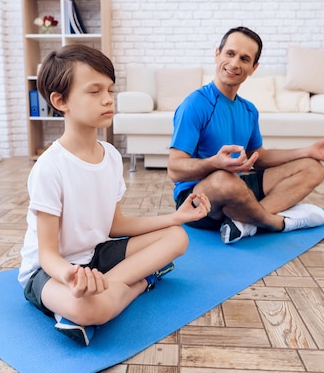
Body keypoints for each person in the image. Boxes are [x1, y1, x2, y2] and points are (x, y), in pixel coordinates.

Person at [18, 44, 210, 346]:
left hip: (96, 256)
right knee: (87, 308)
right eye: (94, 92)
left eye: (110, 89)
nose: (108, 99)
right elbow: (47, 255)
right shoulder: (49, 168)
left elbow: (114, 226)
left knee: (177, 236)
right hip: (50, 272)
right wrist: (72, 278)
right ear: (60, 100)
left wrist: (176, 216)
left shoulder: (110, 156)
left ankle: (115, 286)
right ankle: (142, 280)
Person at [168, 26, 324, 245]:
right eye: (230, 54)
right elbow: (175, 169)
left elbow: (258, 157)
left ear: (253, 67)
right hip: (199, 199)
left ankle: (245, 222)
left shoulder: (249, 110)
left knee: (313, 167)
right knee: (224, 180)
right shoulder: (195, 104)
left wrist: (308, 151)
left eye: (244, 59)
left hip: (238, 186)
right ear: (217, 54)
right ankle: (276, 223)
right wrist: (216, 163)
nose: (234, 64)